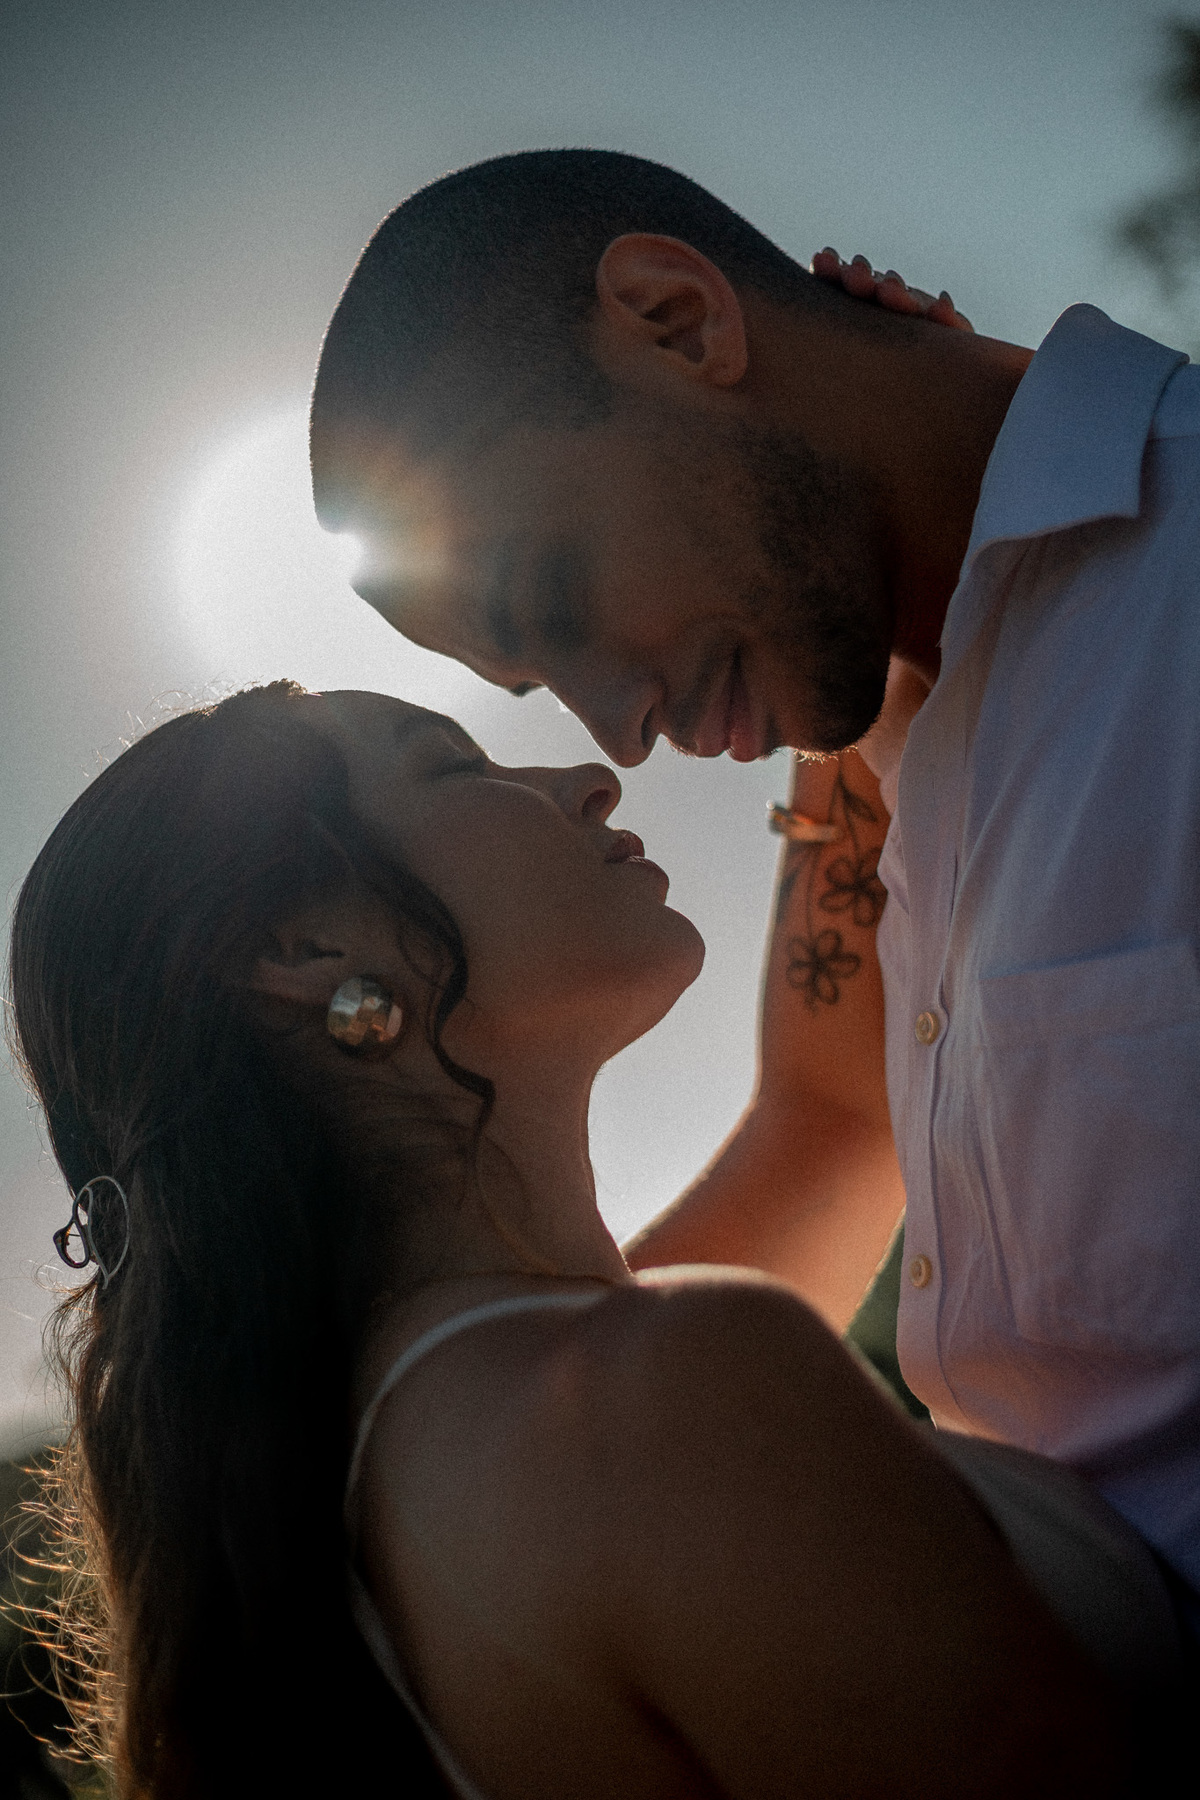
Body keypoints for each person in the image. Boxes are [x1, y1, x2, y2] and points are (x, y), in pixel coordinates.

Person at [308, 150, 1200, 1629]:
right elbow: (826, 1128)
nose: (617, 736)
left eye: (556, 596)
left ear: (678, 318)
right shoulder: (875, 739)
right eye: (538, 685)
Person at [8, 683, 1175, 1798]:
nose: (586, 778)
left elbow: (830, 1123)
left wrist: (850, 708)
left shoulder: (439, 1450)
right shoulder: (653, 1401)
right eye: (455, 766)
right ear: (307, 951)